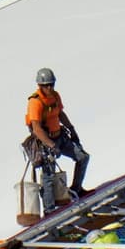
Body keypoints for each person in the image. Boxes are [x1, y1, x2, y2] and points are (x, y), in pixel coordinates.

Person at [24, 67, 91, 212]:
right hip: (46, 143)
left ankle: (76, 189)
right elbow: (36, 128)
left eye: (52, 84)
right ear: (40, 86)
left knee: (83, 157)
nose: (49, 87)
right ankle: (49, 209)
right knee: (48, 176)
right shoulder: (35, 102)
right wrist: (51, 145)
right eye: (46, 85)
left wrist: (71, 129)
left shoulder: (55, 96)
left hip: (60, 136)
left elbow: (60, 113)